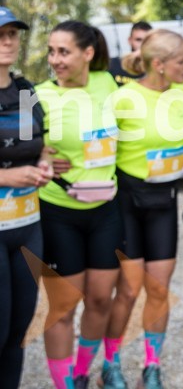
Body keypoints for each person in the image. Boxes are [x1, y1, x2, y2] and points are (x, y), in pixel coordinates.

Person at [101, 29, 183, 389]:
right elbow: (97, 146)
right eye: (182, 61)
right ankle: (111, 363)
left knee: (159, 289)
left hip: (165, 201)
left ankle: (152, 365)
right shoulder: (123, 98)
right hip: (128, 201)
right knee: (128, 290)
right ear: (159, 65)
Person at [35, 21, 121, 389]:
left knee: (101, 299)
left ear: (88, 53)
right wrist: (38, 156)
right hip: (58, 211)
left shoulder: (110, 82)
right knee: (64, 306)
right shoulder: (36, 95)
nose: (55, 59)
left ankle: (83, 373)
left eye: (64, 51)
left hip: (105, 209)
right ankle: (64, 384)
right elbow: (17, 149)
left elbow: (154, 64)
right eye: (51, 51)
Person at [0, 7, 52, 389]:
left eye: (12, 34)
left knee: (19, 330)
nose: (7, 42)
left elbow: (39, 144)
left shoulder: (24, 90)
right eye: (0, 35)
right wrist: (7, 176)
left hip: (27, 226)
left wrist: (45, 165)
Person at [108, 21, 152, 86]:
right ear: (130, 40)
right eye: (138, 40)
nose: (143, 44)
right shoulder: (113, 64)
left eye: (147, 40)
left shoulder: (159, 68)